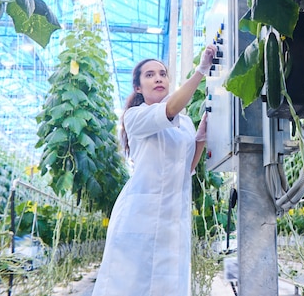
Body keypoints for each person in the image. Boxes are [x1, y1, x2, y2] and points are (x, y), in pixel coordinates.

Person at [91, 44, 216, 296]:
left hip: (173, 219)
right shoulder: (135, 116)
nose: (158, 78)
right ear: (138, 87)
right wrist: (201, 71)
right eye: (149, 75)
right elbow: (169, 110)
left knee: (168, 286)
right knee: (129, 286)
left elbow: (187, 168)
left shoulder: (185, 124)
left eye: (162, 73)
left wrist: (200, 138)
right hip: (140, 216)